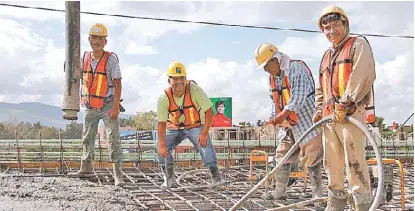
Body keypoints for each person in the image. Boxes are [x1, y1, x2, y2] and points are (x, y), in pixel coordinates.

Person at [313, 5, 376, 211]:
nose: (331, 31)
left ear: (345, 24)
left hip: (350, 115)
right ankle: (336, 205)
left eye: (335, 26)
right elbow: (321, 87)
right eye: (327, 28)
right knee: (332, 166)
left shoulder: (358, 45)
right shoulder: (325, 56)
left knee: (355, 164)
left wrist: (346, 102)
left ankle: (362, 205)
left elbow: (362, 73)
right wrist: (318, 109)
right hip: (330, 118)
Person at [254, 43, 324, 205]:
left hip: (306, 120)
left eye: (266, 65)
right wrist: (274, 117)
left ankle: (317, 194)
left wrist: (281, 115)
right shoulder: (272, 78)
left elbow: (298, 97)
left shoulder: (295, 69)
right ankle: (280, 191)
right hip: (288, 123)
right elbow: (274, 100)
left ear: (275, 60)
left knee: (312, 157)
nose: (265, 70)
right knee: (282, 155)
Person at [70, 23, 124, 187]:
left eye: (100, 38)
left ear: (105, 41)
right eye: (94, 37)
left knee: (112, 137)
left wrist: (115, 108)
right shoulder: (84, 57)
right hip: (90, 104)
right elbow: (76, 76)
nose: (97, 41)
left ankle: (118, 175)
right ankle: (86, 169)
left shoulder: (111, 59)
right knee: (87, 137)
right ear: (89, 39)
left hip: (108, 104)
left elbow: (118, 84)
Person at [156, 61, 221, 188]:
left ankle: (215, 177)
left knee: (205, 146)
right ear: (169, 81)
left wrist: (203, 133)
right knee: (160, 147)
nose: (179, 82)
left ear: (185, 79)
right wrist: (162, 145)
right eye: (175, 79)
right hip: (174, 127)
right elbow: (161, 124)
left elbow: (209, 112)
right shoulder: (164, 97)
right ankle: (168, 179)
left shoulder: (194, 90)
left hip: (194, 126)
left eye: (181, 79)